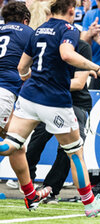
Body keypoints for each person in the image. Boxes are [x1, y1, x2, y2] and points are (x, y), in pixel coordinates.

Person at [0, 0, 100, 217]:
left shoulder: (37, 30)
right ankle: (90, 204)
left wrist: (32, 82)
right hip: (55, 101)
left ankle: (32, 195)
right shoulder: (69, 29)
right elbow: (67, 54)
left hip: (28, 97)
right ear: (72, 10)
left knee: (10, 145)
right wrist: (97, 68)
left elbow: (22, 68)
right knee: (75, 153)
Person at [26, 39, 93, 204]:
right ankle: (27, 181)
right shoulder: (48, 45)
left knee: (70, 148)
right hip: (51, 101)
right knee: (37, 138)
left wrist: (48, 84)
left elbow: (78, 83)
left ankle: (50, 189)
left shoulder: (82, 47)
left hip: (76, 103)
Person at [0, 1, 32, 139]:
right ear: (25, 20)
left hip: (6, 92)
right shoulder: (29, 33)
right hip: (4, 91)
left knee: (15, 143)